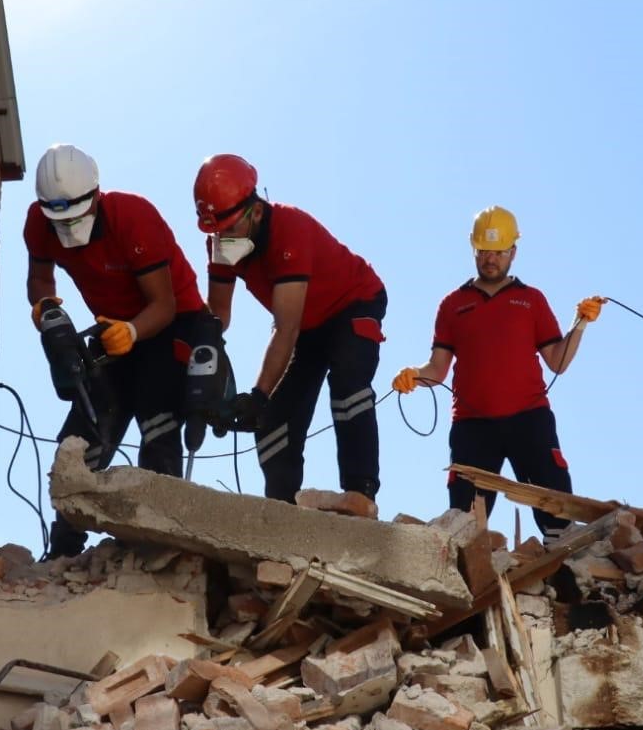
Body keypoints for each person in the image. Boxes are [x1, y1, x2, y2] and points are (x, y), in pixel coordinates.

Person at [25, 144, 210, 558]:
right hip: (113, 326)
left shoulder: (133, 218)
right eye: (59, 220)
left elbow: (164, 304)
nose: (68, 228)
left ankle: (156, 536)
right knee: (88, 423)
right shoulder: (38, 224)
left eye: (76, 217)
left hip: (171, 321)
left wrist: (131, 330)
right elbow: (39, 280)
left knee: (157, 415)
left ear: (95, 196)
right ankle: (65, 545)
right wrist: (47, 312)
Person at [391, 205, 603, 539]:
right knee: (463, 523)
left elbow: (558, 362)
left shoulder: (531, 300)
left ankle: (567, 578)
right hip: (473, 425)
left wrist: (580, 324)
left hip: (529, 418)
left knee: (558, 515)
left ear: (513, 252)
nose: (491, 259)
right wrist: (413, 376)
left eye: (499, 252)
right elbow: (437, 368)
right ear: (474, 249)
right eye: (484, 251)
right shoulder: (452, 304)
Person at [194, 154, 386, 507]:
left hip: (352, 303)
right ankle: (282, 509)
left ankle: (361, 495)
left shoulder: (289, 230)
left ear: (255, 210)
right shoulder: (221, 245)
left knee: (347, 382)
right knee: (272, 422)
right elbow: (218, 314)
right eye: (216, 231)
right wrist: (204, 369)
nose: (223, 237)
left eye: (230, 228)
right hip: (309, 327)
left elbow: (286, 329)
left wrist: (259, 394)